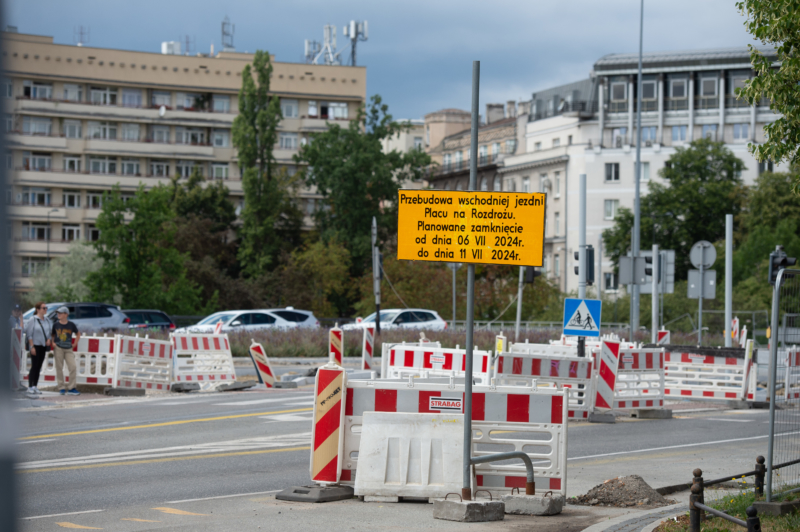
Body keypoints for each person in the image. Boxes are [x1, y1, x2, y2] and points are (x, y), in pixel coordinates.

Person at [23, 302, 52, 395]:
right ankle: (30, 386)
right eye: (43, 308)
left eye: (46, 307)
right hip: (35, 345)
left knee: (39, 366)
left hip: (43, 346)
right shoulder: (33, 319)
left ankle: (35, 386)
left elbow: (49, 332)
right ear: (38, 309)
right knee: (34, 366)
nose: (45, 309)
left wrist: (48, 339)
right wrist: (32, 346)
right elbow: (29, 334)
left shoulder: (47, 320)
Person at [52, 306, 81, 396]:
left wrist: (75, 343)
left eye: (60, 313)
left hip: (68, 348)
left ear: (66, 314)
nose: (58, 315)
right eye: (58, 313)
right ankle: (61, 388)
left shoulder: (71, 325)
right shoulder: (56, 324)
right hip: (58, 348)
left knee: (73, 367)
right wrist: (53, 342)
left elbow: (78, 333)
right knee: (59, 368)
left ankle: (72, 388)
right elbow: (52, 334)